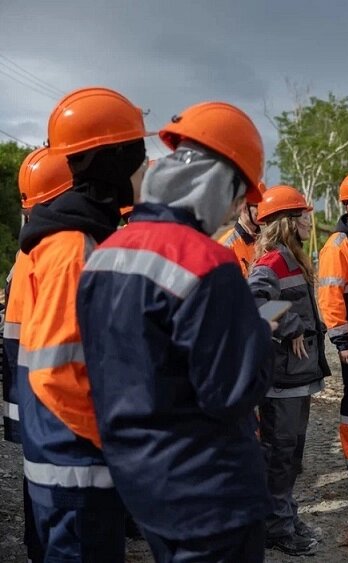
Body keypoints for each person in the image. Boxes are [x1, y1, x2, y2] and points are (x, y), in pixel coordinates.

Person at [76, 101, 274, 562]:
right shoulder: (206, 261)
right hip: (210, 492)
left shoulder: (104, 254)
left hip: (143, 481)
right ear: (217, 187)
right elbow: (232, 392)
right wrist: (257, 334)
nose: (233, 211)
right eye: (238, 197)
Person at [16, 87, 148, 560]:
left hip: (74, 460)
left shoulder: (82, 238)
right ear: (112, 162)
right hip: (77, 467)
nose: (146, 167)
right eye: (139, 153)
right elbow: (57, 370)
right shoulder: (73, 248)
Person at [247, 185, 330, 556]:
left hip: (297, 375)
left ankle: (283, 514)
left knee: (291, 453)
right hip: (280, 379)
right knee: (280, 453)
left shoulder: (293, 258)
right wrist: (292, 324)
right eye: (303, 215)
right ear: (286, 222)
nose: (309, 221)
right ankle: (275, 526)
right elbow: (254, 303)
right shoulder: (271, 263)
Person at [4, 146, 74, 563]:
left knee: (37, 477)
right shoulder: (53, 255)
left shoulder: (27, 254)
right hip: (41, 390)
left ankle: (37, 545)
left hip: (25, 386)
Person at [218, 181, 265, 276]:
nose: (264, 210)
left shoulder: (266, 241)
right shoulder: (226, 246)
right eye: (258, 206)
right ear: (244, 207)